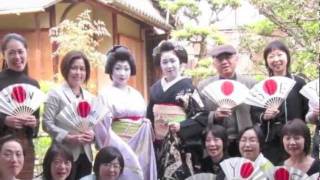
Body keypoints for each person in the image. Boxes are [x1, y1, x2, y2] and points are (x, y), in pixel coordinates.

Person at [94, 45, 155, 180]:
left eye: (126, 69)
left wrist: (145, 123)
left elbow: (143, 117)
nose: (122, 73)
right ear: (111, 70)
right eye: (118, 68)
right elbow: (100, 126)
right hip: (116, 144)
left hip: (139, 144)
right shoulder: (104, 94)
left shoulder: (137, 94)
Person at [251, 40, 309, 165]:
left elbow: (307, 112)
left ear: (287, 57)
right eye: (271, 56)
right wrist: (265, 116)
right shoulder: (262, 86)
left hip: (295, 139)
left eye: (279, 54)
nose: (276, 59)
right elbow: (255, 113)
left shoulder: (299, 83)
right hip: (271, 141)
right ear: (266, 61)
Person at [195, 44, 256, 157]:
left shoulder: (250, 84)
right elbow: (198, 116)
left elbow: (257, 116)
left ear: (236, 59)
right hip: (215, 144)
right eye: (219, 59)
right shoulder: (203, 86)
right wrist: (214, 116)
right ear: (214, 63)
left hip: (243, 142)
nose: (224, 62)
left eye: (228, 57)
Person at [146, 40, 195, 179]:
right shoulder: (155, 88)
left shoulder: (189, 87)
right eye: (164, 62)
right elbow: (149, 116)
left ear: (180, 63)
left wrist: (181, 126)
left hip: (180, 145)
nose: (169, 65)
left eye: (173, 61)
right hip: (158, 144)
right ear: (160, 65)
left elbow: (200, 116)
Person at [43, 51, 94, 179]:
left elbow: (93, 123)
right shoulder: (56, 94)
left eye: (82, 69)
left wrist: (92, 134)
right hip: (64, 155)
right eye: (74, 68)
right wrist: (67, 137)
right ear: (66, 69)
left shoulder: (89, 97)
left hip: (86, 154)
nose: (78, 72)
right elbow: (46, 123)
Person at [0, 33, 39, 179]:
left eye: (20, 51)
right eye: (12, 52)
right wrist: (4, 119)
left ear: (26, 52)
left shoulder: (33, 84)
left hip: (24, 148)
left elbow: (36, 123)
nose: (17, 56)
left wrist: (33, 123)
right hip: (2, 147)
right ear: (4, 55)